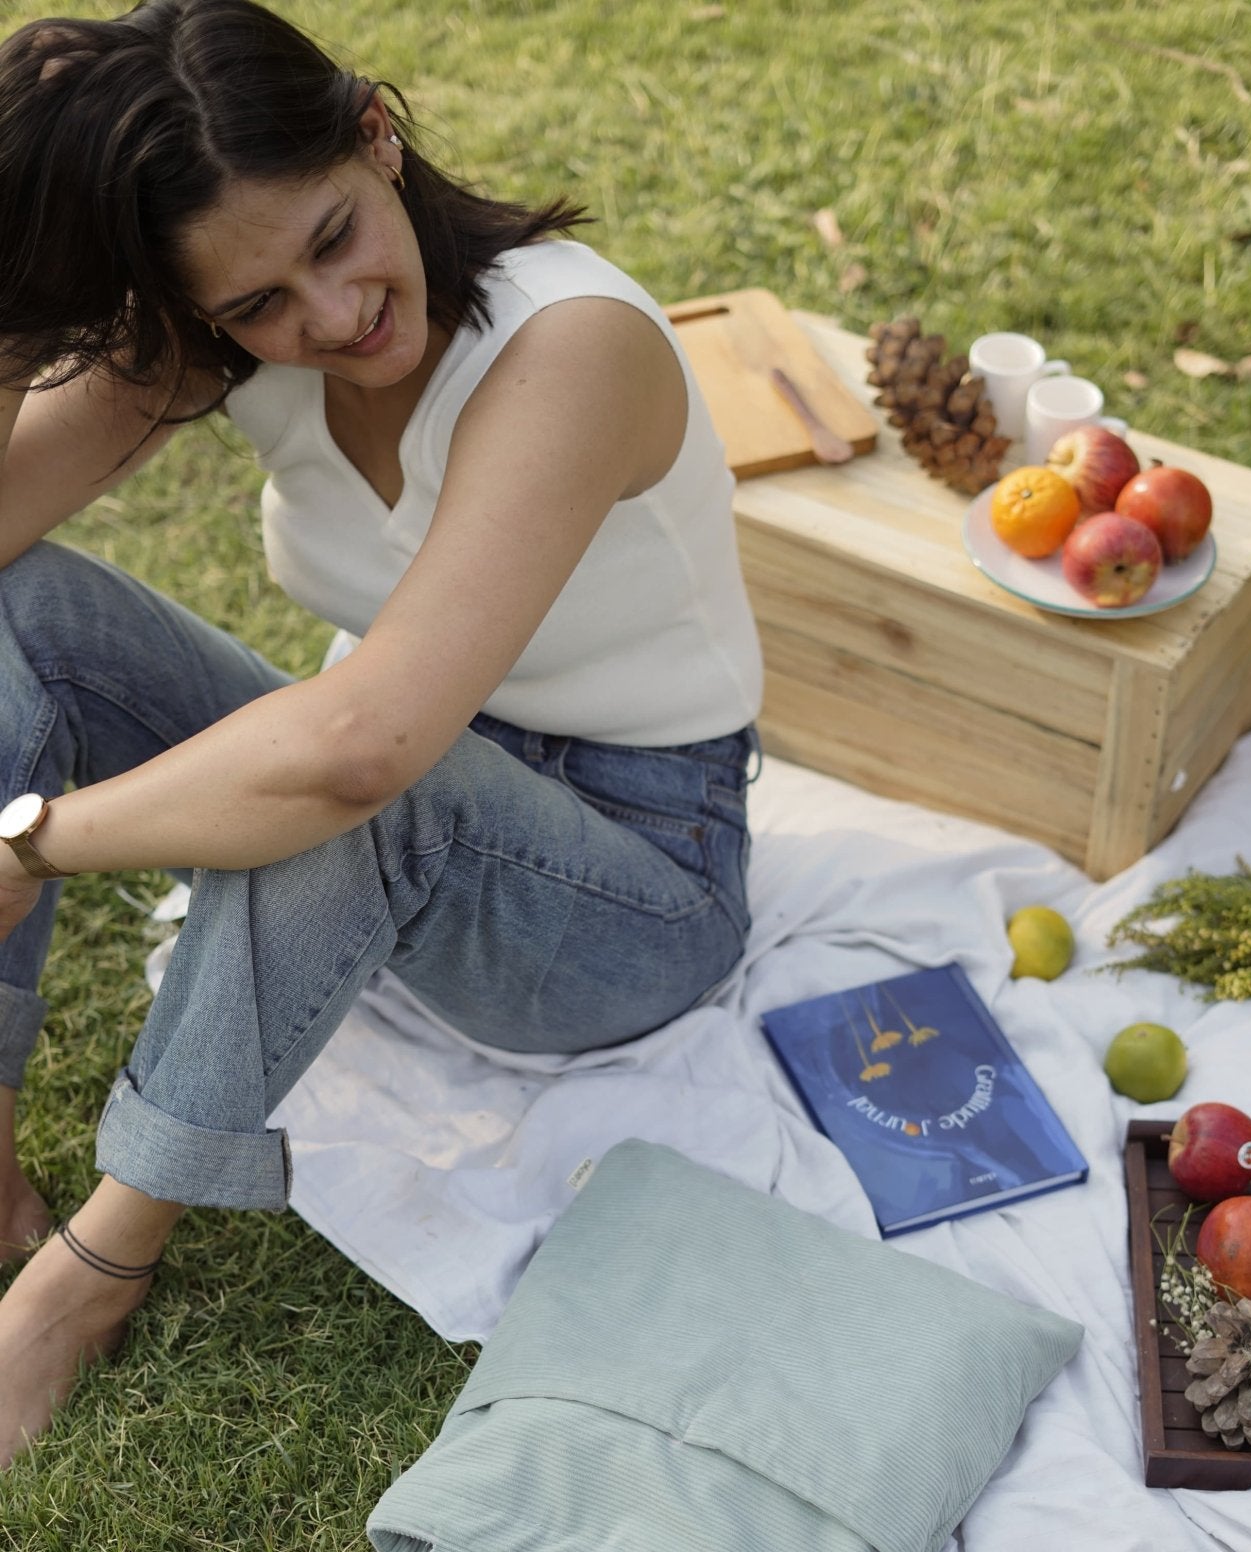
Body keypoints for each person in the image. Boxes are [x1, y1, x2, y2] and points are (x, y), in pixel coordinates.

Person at [0, 0, 762, 1464]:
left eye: (335, 239)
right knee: (27, 611)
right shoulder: (230, 332)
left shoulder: (569, 343)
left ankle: (89, 1277)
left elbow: (362, 748)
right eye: (258, 306)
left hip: (637, 881)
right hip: (416, 754)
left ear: (377, 133)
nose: (329, 318)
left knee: (353, 777)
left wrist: (37, 840)